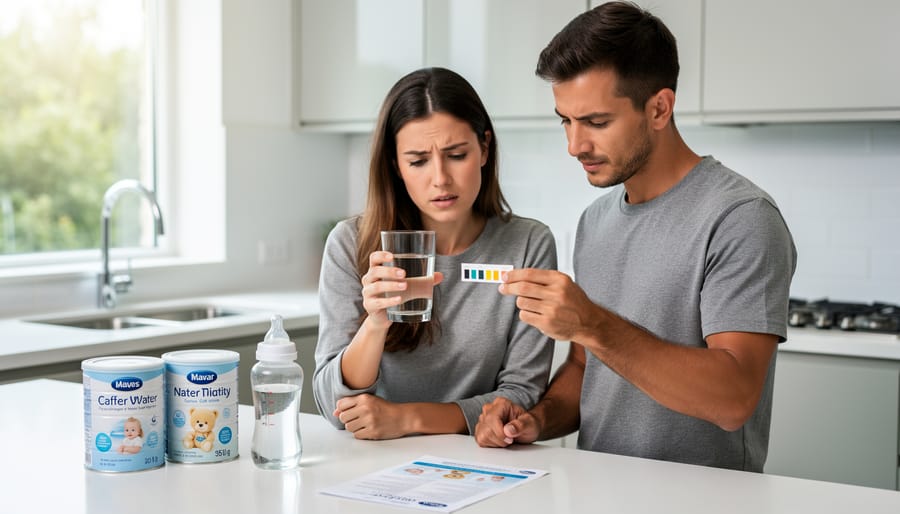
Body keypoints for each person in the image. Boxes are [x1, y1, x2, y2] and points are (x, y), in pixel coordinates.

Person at [474, 1, 796, 472]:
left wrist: (591, 323)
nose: (574, 145)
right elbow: (588, 370)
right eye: (566, 120)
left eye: (597, 122)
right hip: (602, 492)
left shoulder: (740, 217)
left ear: (659, 108)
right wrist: (535, 420)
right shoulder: (596, 220)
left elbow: (733, 399)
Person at [313, 67, 557, 440]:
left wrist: (408, 419)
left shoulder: (528, 244)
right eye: (418, 161)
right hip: (369, 463)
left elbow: (521, 393)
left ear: (484, 149)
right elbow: (333, 403)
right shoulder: (350, 244)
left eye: (456, 155)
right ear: (396, 166)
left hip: (480, 461)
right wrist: (376, 322)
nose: (440, 178)